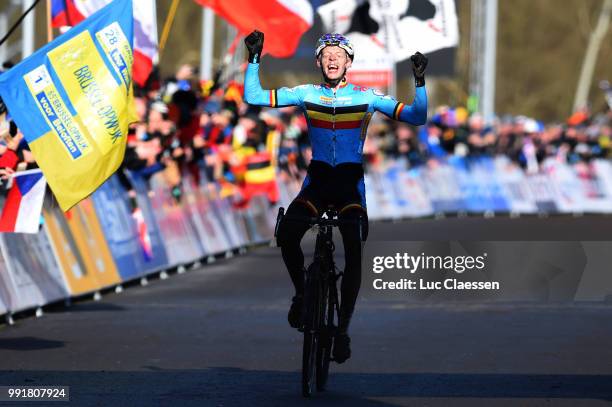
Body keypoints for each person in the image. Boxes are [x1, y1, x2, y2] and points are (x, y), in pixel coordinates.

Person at [243, 30, 428, 363]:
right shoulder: (304, 93)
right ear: (318, 62)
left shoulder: (367, 96)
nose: (332, 59)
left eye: (338, 55)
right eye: (326, 55)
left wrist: (420, 82)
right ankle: (302, 293)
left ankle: (342, 330)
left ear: (349, 63)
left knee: (354, 249)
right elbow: (254, 97)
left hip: (349, 183)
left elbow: (417, 116)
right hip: (317, 180)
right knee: (287, 234)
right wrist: (254, 59)